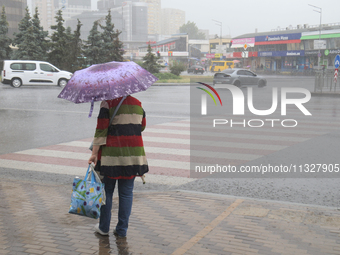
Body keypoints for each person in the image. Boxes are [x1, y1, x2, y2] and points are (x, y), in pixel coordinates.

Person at [89, 95, 148, 237]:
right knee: (127, 193)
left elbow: (101, 130)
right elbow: (142, 126)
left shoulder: (107, 103)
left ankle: (103, 227)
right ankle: (122, 230)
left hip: (111, 155)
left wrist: (94, 153)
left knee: (107, 191)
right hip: (133, 154)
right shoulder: (137, 103)